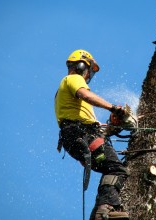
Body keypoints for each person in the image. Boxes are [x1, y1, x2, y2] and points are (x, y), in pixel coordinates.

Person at [54, 49, 129, 220]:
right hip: (81, 135)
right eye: (89, 70)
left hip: (77, 137)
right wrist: (113, 108)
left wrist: (109, 127)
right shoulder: (73, 79)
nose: (88, 76)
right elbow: (86, 95)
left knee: (109, 169)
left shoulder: (66, 95)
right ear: (81, 66)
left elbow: (84, 119)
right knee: (117, 169)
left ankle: (98, 214)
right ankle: (106, 210)